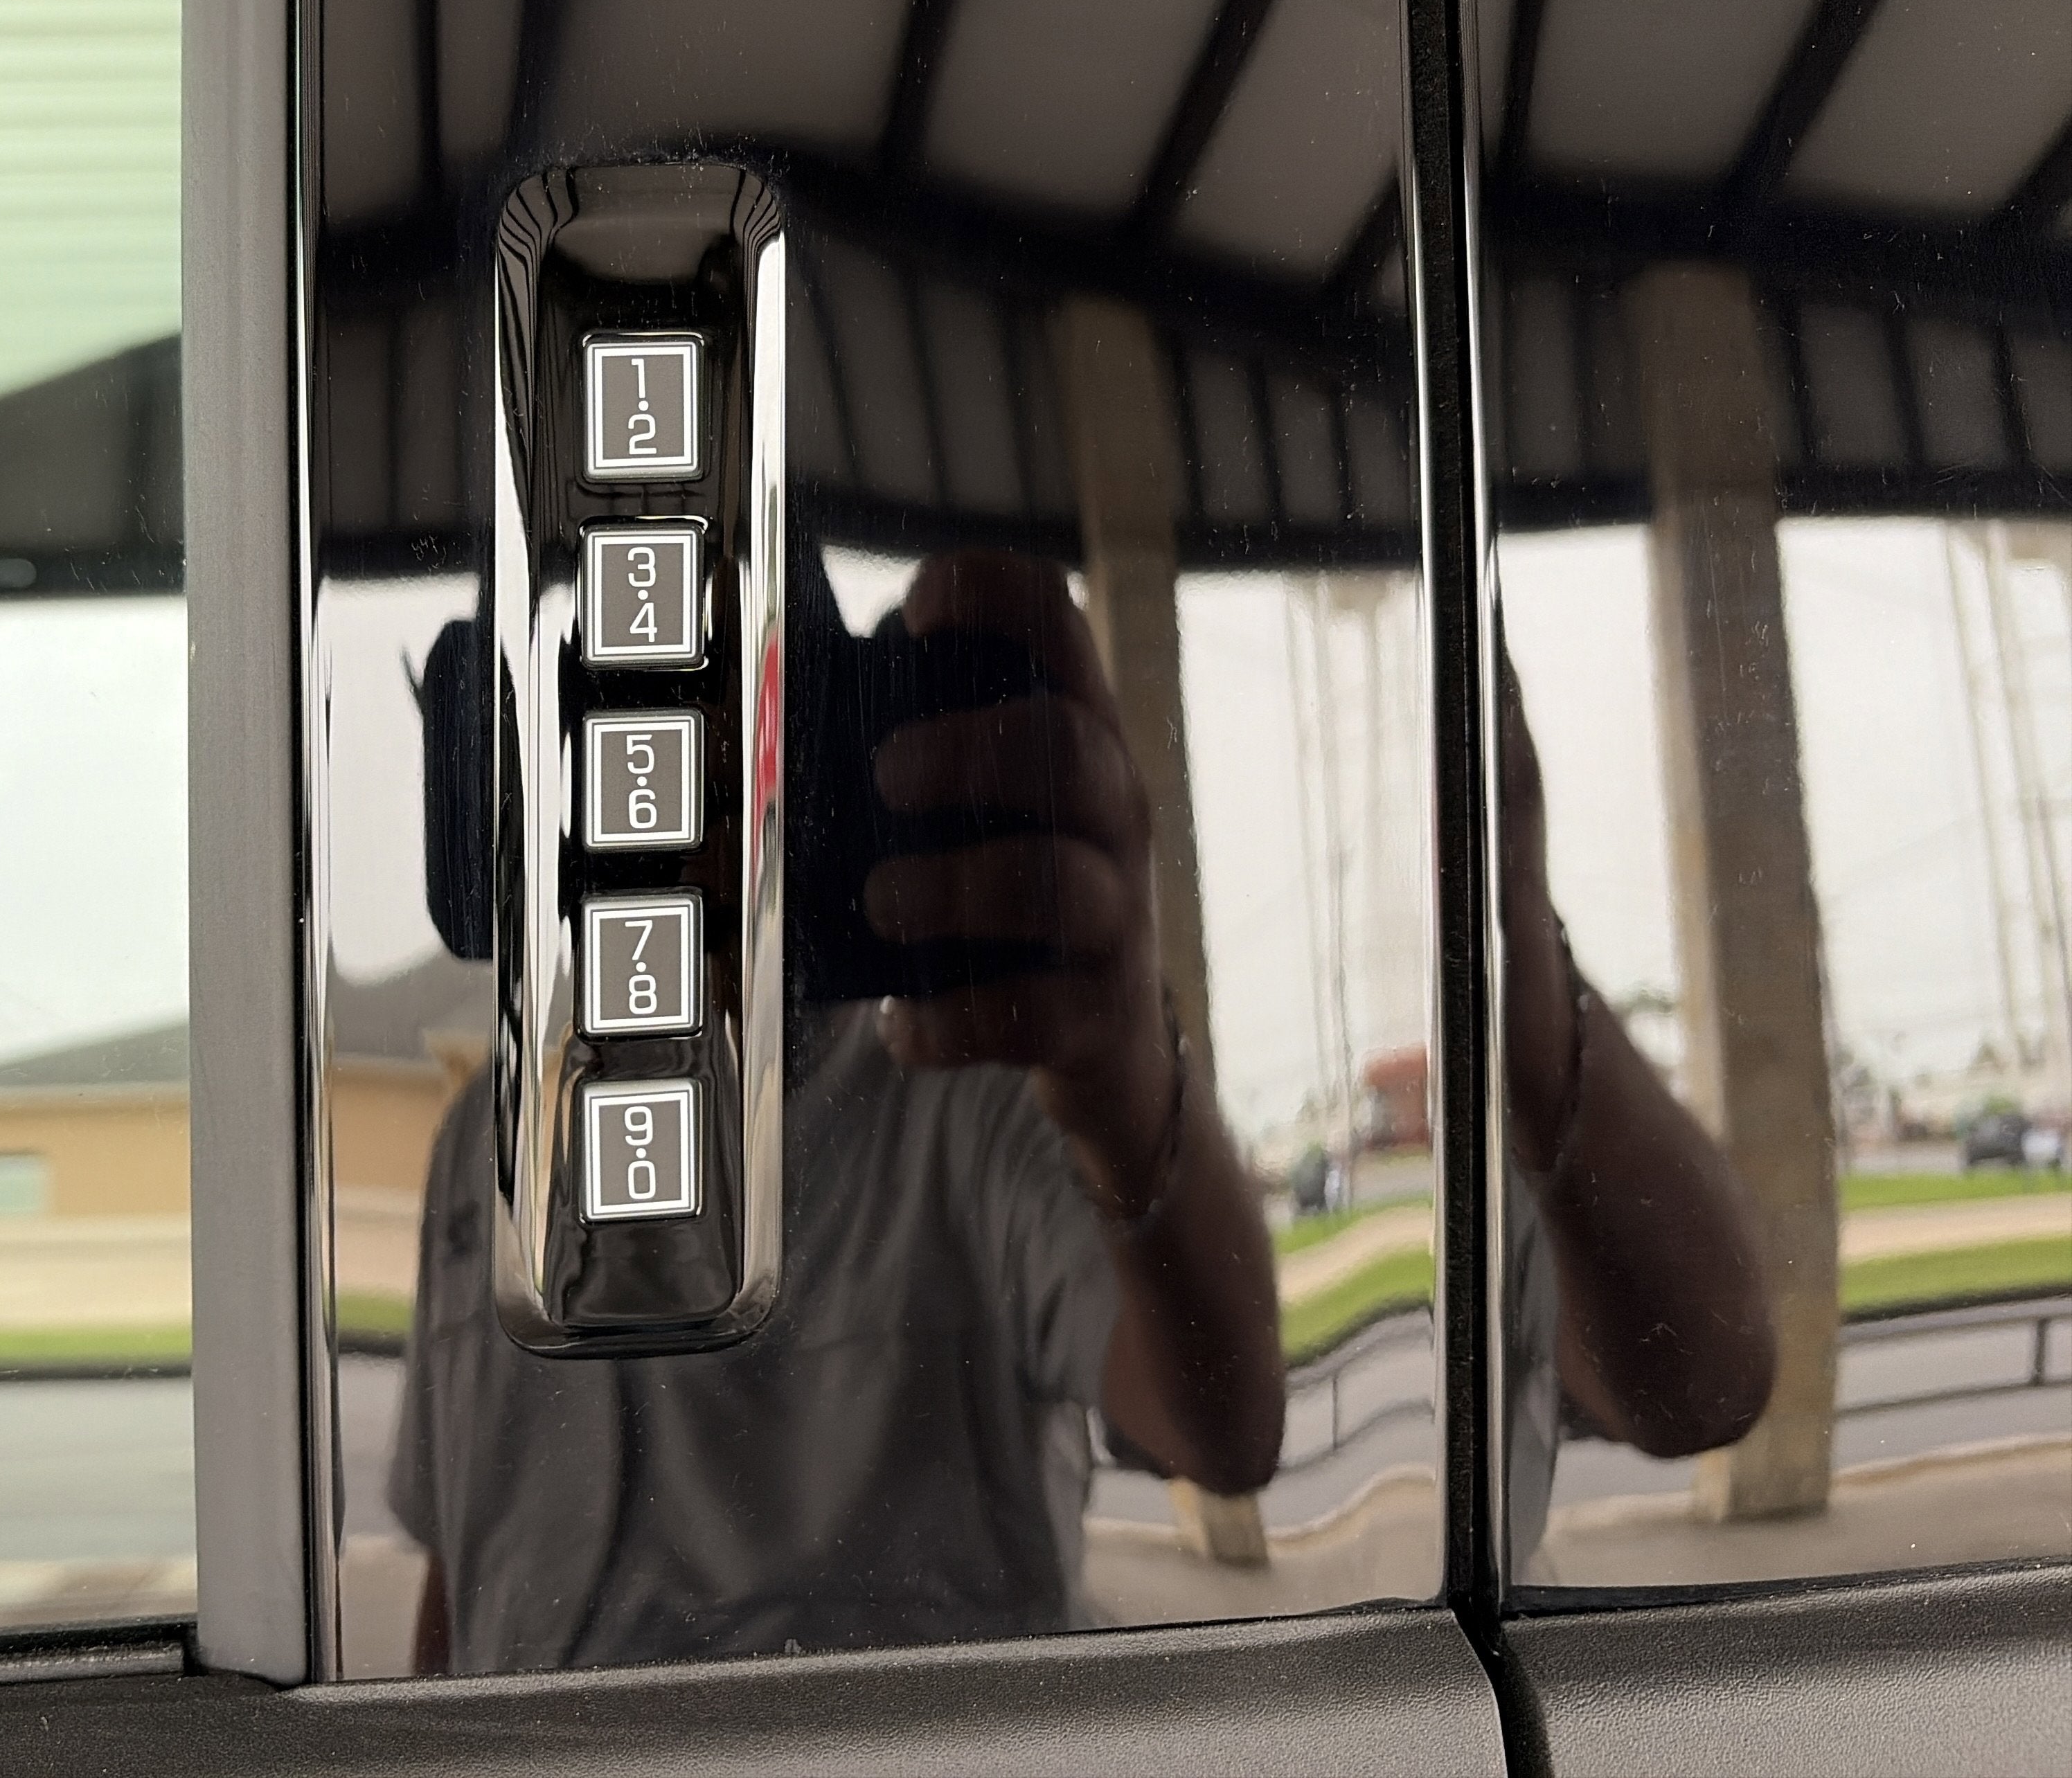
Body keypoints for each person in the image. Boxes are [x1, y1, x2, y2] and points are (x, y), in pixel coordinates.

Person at [390, 547, 1773, 1673]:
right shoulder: (482, 1151)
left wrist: (1124, 1088)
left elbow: (1227, 1426)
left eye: (710, 726)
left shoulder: (973, 1096)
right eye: (600, 729)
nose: (651, 804)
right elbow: (463, 1580)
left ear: (814, 754)